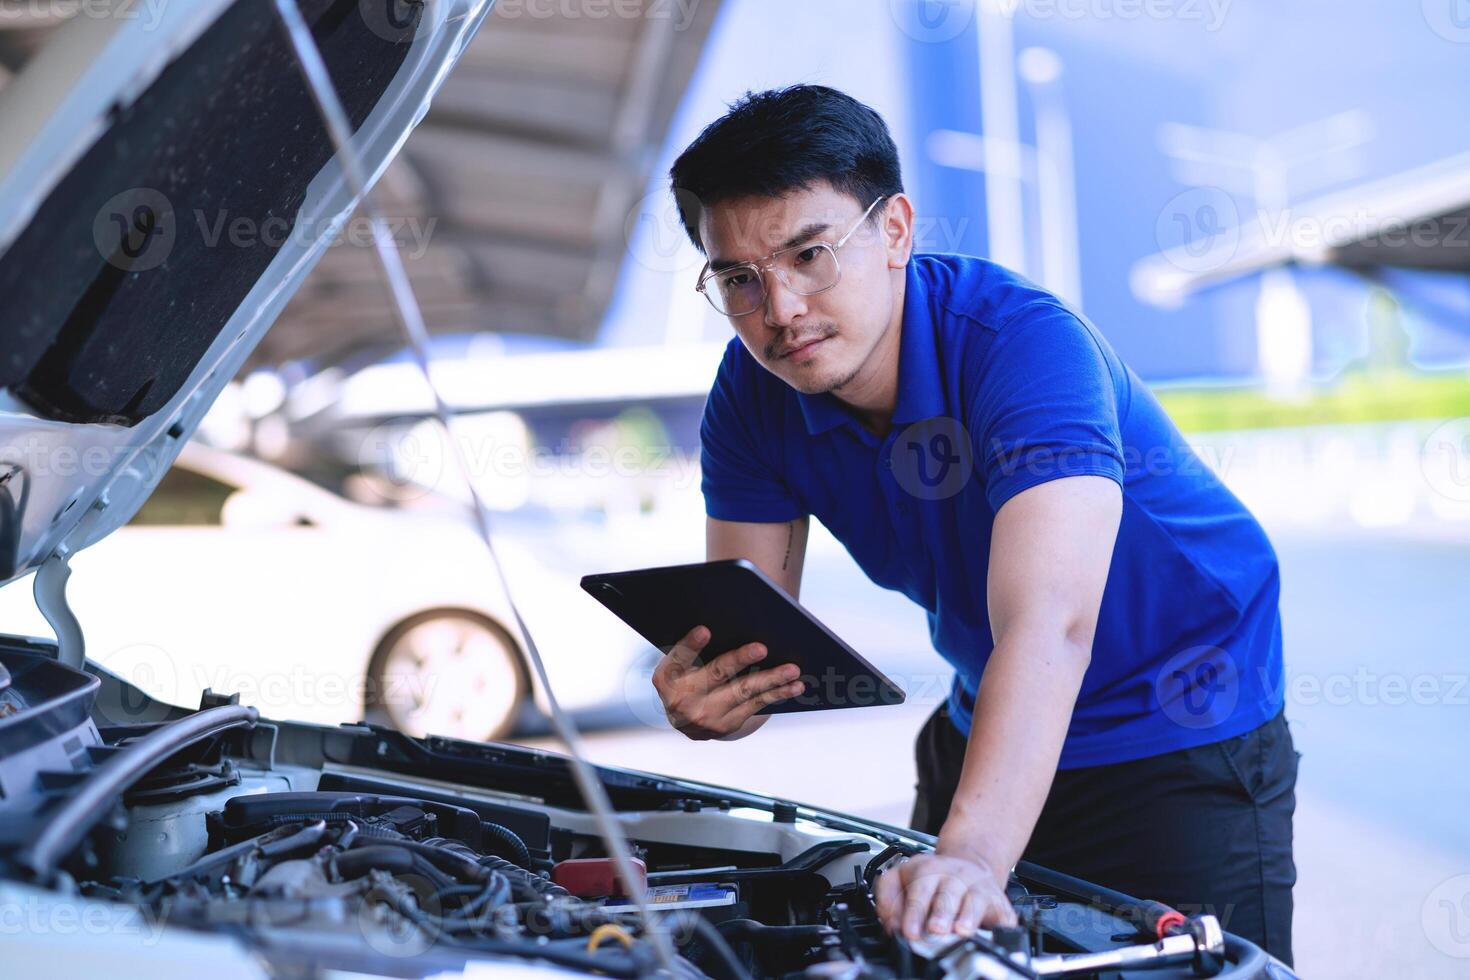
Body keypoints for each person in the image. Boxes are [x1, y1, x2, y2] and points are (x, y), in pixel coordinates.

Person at [650, 84, 1296, 964]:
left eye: (810, 254)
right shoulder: (751, 393)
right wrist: (713, 697)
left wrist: (972, 855)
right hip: (989, 708)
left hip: (1177, 717)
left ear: (896, 231)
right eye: (739, 279)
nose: (782, 310)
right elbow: (748, 628)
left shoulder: (1022, 344)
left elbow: (1053, 623)